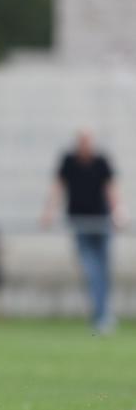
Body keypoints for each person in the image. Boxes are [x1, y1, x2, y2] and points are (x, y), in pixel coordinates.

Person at [42, 130, 126, 333]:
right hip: (80, 221)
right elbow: (58, 186)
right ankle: (101, 314)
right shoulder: (69, 161)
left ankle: (102, 314)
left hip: (101, 220)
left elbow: (110, 188)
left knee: (102, 269)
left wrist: (118, 212)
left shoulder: (101, 161)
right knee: (90, 269)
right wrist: (49, 211)